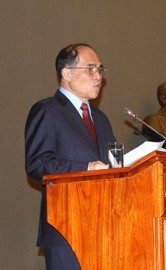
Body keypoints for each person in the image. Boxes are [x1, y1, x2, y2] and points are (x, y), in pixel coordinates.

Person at [25, 43, 116, 270]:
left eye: (100, 70)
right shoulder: (47, 110)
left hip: (106, 227)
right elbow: (37, 163)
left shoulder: (101, 118)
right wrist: (86, 168)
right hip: (67, 227)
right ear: (66, 73)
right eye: (90, 69)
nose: (99, 77)